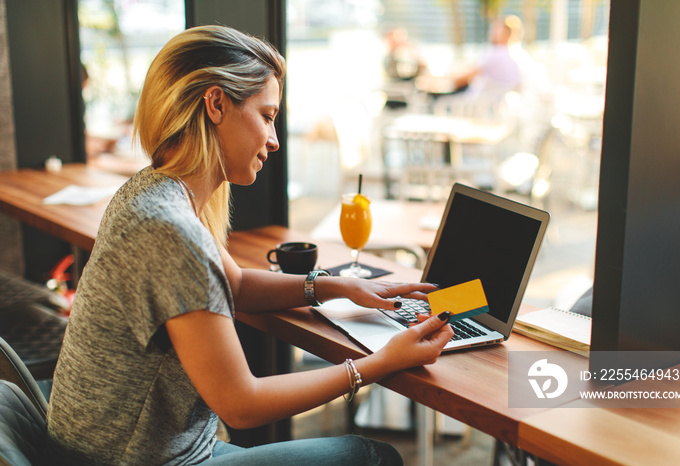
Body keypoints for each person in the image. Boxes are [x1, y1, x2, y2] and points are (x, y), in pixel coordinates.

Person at [45, 25, 454, 465]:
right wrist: (377, 364)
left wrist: (336, 287)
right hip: (136, 460)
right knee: (371, 457)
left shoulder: (152, 192)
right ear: (216, 104)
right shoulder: (171, 231)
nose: (275, 139)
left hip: (106, 448)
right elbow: (240, 405)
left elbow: (234, 284)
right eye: (266, 115)